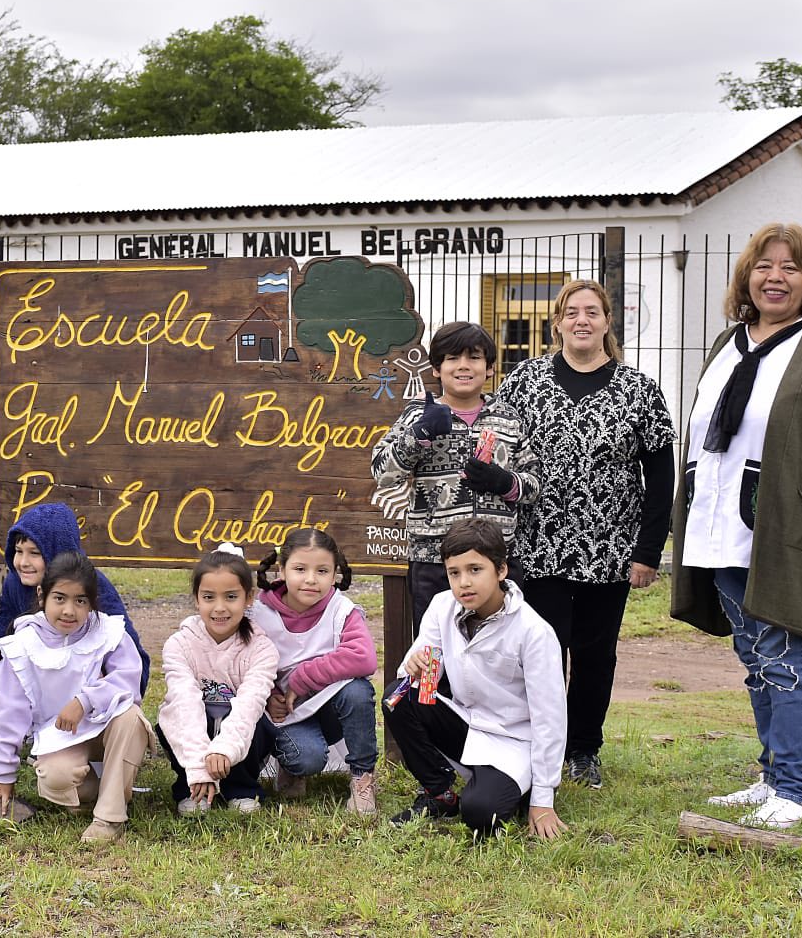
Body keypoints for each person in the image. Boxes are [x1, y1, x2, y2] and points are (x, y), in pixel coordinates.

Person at [672, 223, 802, 831]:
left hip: (784, 523)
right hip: (719, 520)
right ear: (746, 277)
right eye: (763, 265)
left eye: (790, 266)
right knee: (754, 653)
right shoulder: (728, 342)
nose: (775, 276)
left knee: (783, 653)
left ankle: (794, 788)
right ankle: (770, 774)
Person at [495, 279, 675, 790]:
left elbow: (660, 477)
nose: (581, 320)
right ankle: (536, 744)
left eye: (591, 312)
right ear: (557, 323)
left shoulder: (638, 390)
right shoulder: (524, 381)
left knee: (596, 653)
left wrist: (648, 551)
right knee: (543, 650)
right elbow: (500, 453)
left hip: (610, 549)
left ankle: (583, 750)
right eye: (571, 312)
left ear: (606, 322)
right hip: (538, 543)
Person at [383, 519, 567, 838]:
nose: (464, 583)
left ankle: (510, 787)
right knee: (396, 697)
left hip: (514, 741)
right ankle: (440, 792)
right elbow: (416, 676)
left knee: (480, 814)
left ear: (501, 570)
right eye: (454, 573)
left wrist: (543, 799)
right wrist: (411, 667)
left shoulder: (534, 632)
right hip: (468, 724)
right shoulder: (443, 606)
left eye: (475, 570)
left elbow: (550, 718)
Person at [371, 321, 541, 631]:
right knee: (437, 651)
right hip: (435, 560)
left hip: (496, 562)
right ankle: (436, 684)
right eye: (452, 358)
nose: (463, 366)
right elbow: (382, 472)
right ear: (437, 368)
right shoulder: (417, 415)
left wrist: (503, 482)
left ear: (489, 368)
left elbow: (534, 485)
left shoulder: (508, 419)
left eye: (474, 358)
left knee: (498, 649)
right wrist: (419, 436)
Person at [0, 552, 154, 844]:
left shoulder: (108, 632)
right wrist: (2, 775)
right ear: (42, 595)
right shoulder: (24, 644)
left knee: (130, 717)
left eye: (80, 601)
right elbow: (10, 712)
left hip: (106, 726)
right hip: (61, 735)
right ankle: (109, 789)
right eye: (60, 598)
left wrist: (85, 701)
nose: (69, 610)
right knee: (55, 779)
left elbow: (128, 681)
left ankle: (109, 818)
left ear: (92, 603)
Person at [0, 501, 149, 714]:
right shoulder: (15, 583)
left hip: (83, 678)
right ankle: (36, 722)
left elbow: (126, 643)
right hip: (44, 673)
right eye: (18, 551)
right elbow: (4, 617)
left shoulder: (93, 587)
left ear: (58, 552)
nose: (23, 562)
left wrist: (106, 676)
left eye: (34, 553)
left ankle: (81, 724)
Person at [251, 527, 379, 816]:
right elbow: (247, 660)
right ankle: (292, 766)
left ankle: (362, 777)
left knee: (357, 690)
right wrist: (270, 694)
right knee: (307, 759)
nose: (311, 579)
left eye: (322, 571)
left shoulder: (340, 610)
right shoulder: (260, 613)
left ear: (334, 574)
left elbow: (364, 658)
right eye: (300, 569)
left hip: (332, 709)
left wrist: (303, 677)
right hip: (289, 711)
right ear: (281, 570)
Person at [157, 543, 279, 816]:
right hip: (196, 725)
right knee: (171, 717)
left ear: (249, 598)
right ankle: (191, 787)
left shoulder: (261, 648)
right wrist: (199, 767)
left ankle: (242, 788)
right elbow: (184, 702)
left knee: (255, 721)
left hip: (237, 728)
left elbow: (250, 704)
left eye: (231, 597)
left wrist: (224, 749)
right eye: (209, 597)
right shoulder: (180, 644)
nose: (219, 608)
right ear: (196, 599)